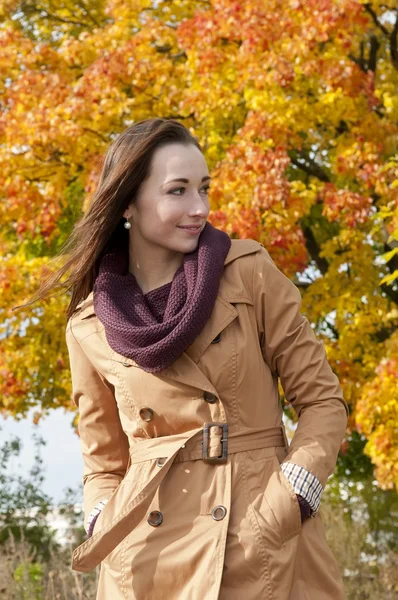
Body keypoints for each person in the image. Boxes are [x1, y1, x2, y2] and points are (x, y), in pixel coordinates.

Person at [26, 118, 349, 598]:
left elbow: (323, 402)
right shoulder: (89, 324)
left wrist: (293, 493)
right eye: (178, 191)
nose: (200, 208)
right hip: (146, 553)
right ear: (128, 204)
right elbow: (104, 463)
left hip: (259, 534)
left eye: (204, 188)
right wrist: (101, 518)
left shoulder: (248, 274)